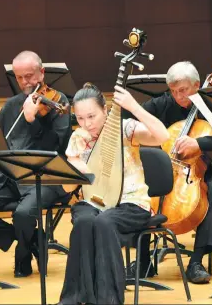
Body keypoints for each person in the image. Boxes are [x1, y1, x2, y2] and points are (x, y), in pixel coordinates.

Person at [123, 61, 212, 284]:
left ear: (197, 85)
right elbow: (126, 117)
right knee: (141, 190)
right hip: (174, 171)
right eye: (173, 91)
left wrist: (200, 143)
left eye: (183, 90)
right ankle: (143, 261)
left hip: (211, 172)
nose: (178, 96)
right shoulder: (165, 103)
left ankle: (196, 261)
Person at [0, 50, 71, 277]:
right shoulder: (11, 106)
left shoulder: (58, 103)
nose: (24, 83)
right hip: (10, 179)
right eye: (19, 77)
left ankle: (22, 255)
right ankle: (30, 240)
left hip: (47, 179)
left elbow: (60, 145)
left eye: (29, 76)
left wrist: (32, 120)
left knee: (22, 213)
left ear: (42, 72)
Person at [58, 82, 169, 305]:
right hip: (94, 202)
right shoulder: (78, 138)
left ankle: (108, 300)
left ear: (105, 111)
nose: (86, 124)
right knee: (84, 222)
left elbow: (162, 136)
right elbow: (66, 188)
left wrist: (134, 107)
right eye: (80, 118)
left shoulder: (125, 128)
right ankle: (73, 298)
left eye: (91, 116)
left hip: (131, 204)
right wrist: (75, 170)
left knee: (104, 222)